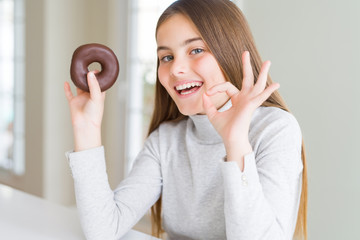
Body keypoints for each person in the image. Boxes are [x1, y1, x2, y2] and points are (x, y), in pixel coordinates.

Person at [64, 0, 308, 239]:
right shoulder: (166, 140)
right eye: (166, 57)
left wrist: (236, 143)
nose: (176, 69)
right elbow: (103, 230)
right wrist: (87, 129)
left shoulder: (276, 130)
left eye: (196, 50)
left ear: (230, 52)